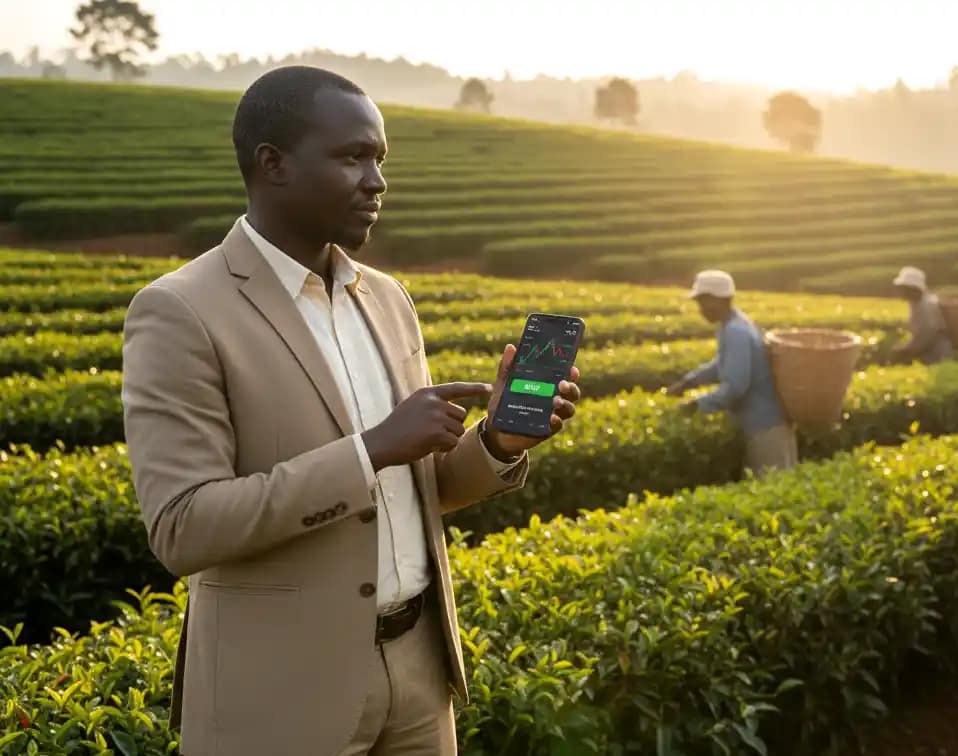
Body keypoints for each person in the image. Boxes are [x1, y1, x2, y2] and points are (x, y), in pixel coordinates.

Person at [120, 66, 582, 756]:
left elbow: (418, 493)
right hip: (281, 697)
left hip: (419, 678)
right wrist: (372, 449)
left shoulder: (388, 300)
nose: (377, 181)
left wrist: (499, 443)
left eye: (380, 159)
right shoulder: (180, 311)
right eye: (351, 156)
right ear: (272, 164)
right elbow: (184, 528)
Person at [665, 270, 798, 475]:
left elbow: (736, 386)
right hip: (764, 425)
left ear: (721, 300)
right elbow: (722, 365)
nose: (701, 309)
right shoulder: (734, 324)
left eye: (704, 301)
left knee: (771, 488)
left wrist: (697, 405)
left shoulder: (737, 332)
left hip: (765, 428)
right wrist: (689, 382)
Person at [889, 266, 955, 365]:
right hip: (929, 354)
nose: (900, 291)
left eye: (903, 288)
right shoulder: (916, 303)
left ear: (912, 289)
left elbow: (925, 336)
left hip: (937, 356)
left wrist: (905, 350)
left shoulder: (926, 306)